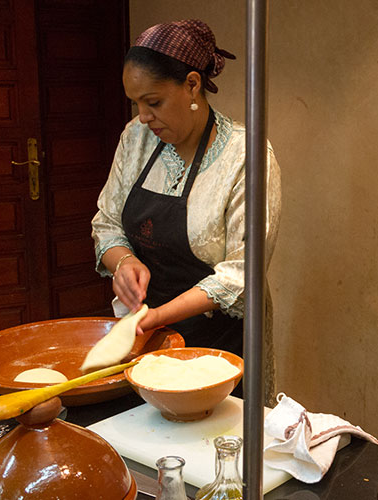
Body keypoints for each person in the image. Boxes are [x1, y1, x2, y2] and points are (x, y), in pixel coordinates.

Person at [91, 20, 281, 391]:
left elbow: (241, 275)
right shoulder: (137, 138)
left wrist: (157, 317)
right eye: (136, 104)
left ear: (192, 84)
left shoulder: (247, 156)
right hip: (145, 340)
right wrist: (124, 262)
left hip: (220, 346)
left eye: (154, 102)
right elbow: (108, 223)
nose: (144, 117)